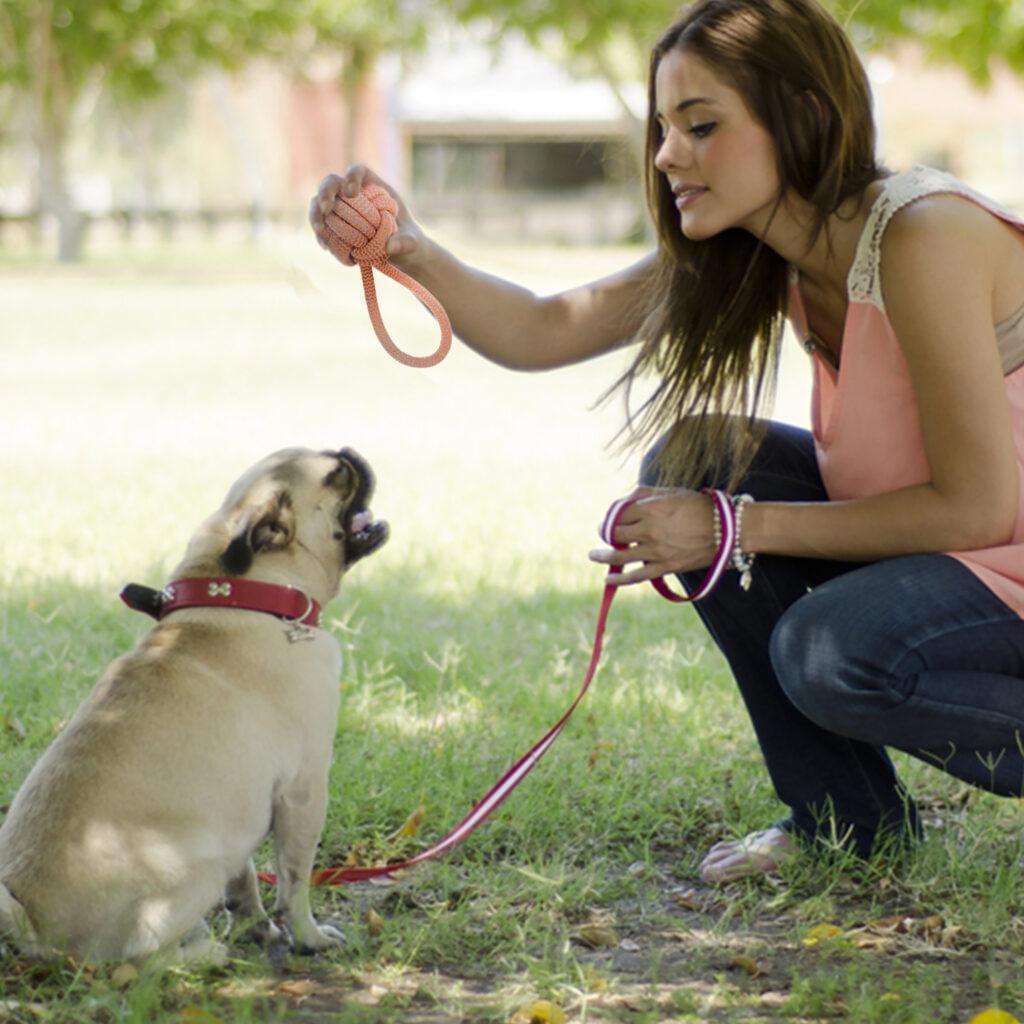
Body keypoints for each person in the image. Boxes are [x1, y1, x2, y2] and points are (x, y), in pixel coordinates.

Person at [310, 0, 1024, 884]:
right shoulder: (765, 252)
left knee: (830, 650)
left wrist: (733, 528)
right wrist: (405, 249)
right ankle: (850, 824)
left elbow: (980, 506)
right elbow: (543, 328)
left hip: (996, 553)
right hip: (963, 558)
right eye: (662, 128)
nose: (666, 155)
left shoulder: (925, 234)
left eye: (701, 126)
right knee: (700, 459)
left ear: (801, 114)